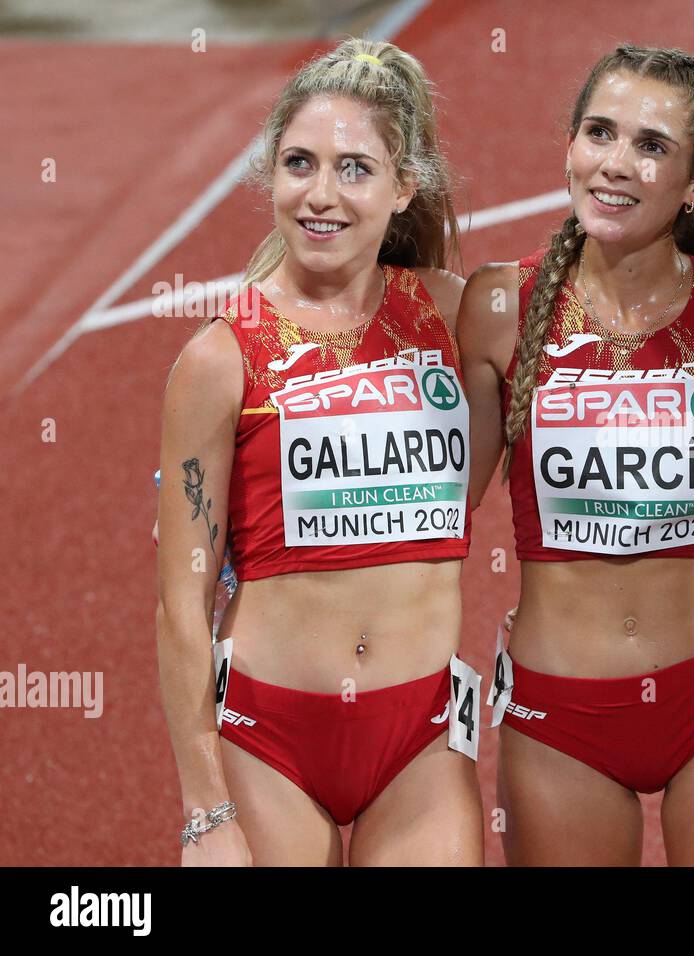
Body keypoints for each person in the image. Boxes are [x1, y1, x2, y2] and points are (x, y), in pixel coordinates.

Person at [457, 45, 694, 865]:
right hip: (558, 716)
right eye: (598, 133)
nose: (614, 164)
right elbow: (434, 513)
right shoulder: (500, 306)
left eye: (652, 146)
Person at [156, 39, 483, 866]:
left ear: (405, 185)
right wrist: (206, 814)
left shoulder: (460, 314)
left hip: (421, 740)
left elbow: (598, 297)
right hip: (270, 741)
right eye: (299, 163)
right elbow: (180, 604)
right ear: (269, 173)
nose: (320, 195)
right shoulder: (219, 357)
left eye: (355, 168)